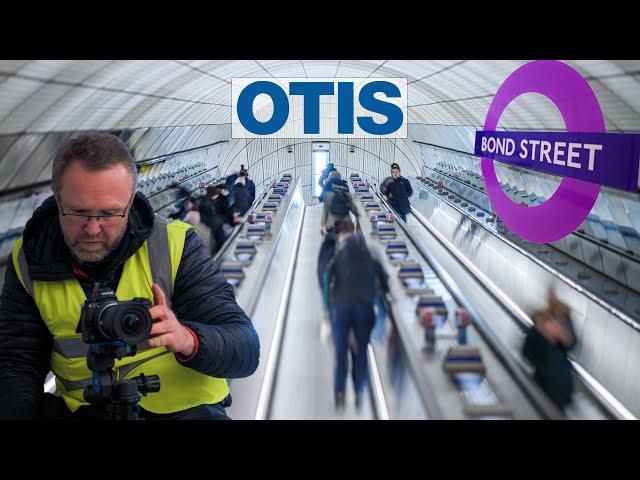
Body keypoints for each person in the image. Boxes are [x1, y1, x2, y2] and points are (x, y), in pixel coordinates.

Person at [0, 131, 260, 420]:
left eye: (109, 214)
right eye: (78, 212)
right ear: (56, 196)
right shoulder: (30, 260)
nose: (93, 229)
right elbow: (16, 366)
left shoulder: (173, 245)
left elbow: (245, 347)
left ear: (131, 200)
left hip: (187, 411)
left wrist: (187, 339)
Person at [323, 217, 389, 409]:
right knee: (361, 353)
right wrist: (383, 296)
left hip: (342, 308)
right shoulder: (370, 255)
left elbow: (328, 280)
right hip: (364, 308)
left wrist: (328, 308)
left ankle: (340, 395)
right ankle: (359, 392)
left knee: (341, 352)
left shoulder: (339, 255)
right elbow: (384, 282)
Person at [523, 291, 576, 409]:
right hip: (546, 387)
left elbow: (571, 342)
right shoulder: (537, 333)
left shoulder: (560, 340)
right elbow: (527, 352)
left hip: (556, 390)